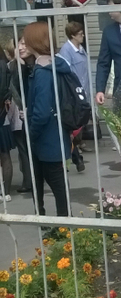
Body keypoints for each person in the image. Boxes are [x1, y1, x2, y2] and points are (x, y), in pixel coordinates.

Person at [23, 22, 71, 217]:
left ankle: (64, 225)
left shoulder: (43, 72)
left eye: (26, 39)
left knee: (57, 185)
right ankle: (57, 223)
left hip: (47, 138)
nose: (23, 43)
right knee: (53, 183)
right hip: (54, 135)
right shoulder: (53, 64)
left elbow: (42, 111)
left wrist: (31, 133)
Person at [58, 21, 91, 173]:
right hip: (73, 95)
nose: (83, 36)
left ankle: (73, 157)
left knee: (74, 131)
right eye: (80, 34)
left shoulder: (81, 49)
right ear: (72, 36)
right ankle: (72, 159)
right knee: (71, 131)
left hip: (83, 92)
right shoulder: (66, 51)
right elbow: (67, 75)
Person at [6, 38, 34, 193]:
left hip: (19, 112)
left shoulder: (16, 67)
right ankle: (30, 179)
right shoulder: (21, 66)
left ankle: (29, 181)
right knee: (25, 147)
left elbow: (14, 90)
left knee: (23, 147)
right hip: (22, 111)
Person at [0, 46, 15, 202]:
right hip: (2, 113)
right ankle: (6, 191)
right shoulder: (4, 64)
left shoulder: (1, 66)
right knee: (5, 154)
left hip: (1, 114)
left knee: (4, 155)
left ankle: (4, 191)